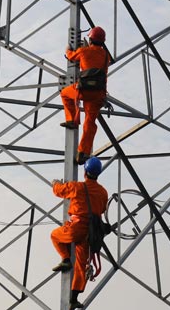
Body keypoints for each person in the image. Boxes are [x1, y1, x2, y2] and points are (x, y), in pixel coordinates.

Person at [50, 157, 108, 309]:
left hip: (77, 227)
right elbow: (102, 209)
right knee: (81, 266)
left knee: (55, 235)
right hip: (90, 232)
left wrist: (55, 184)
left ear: (85, 172)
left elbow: (60, 191)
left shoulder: (78, 187)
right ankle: (73, 299)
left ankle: (66, 259)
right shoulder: (103, 192)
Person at [60, 26, 110, 165]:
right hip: (98, 94)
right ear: (103, 41)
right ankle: (83, 153)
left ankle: (72, 119)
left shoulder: (83, 51)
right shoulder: (106, 56)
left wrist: (67, 49)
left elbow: (71, 56)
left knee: (64, 94)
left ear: (91, 39)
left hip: (83, 90)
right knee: (90, 123)